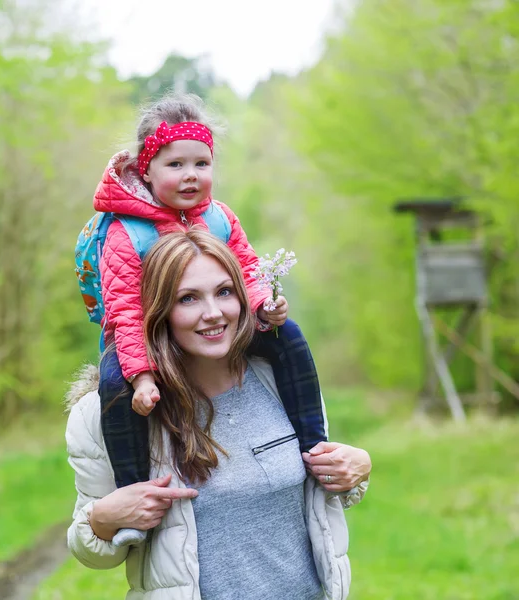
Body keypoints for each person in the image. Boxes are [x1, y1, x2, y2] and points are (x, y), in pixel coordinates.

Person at [66, 230, 372, 600]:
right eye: (188, 298)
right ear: (158, 310)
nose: (213, 313)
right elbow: (92, 552)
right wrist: (104, 518)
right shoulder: (112, 412)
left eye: (224, 292)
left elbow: (321, 493)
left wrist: (356, 468)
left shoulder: (281, 380)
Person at [92, 93, 327, 491]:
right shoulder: (127, 233)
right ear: (147, 171)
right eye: (176, 164)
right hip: (144, 338)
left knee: (288, 337)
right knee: (114, 383)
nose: (190, 175)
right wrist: (143, 377)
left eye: (201, 164)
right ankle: (132, 487)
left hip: (212, 325)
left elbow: (248, 270)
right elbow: (126, 311)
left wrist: (264, 305)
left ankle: (314, 445)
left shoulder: (218, 218)